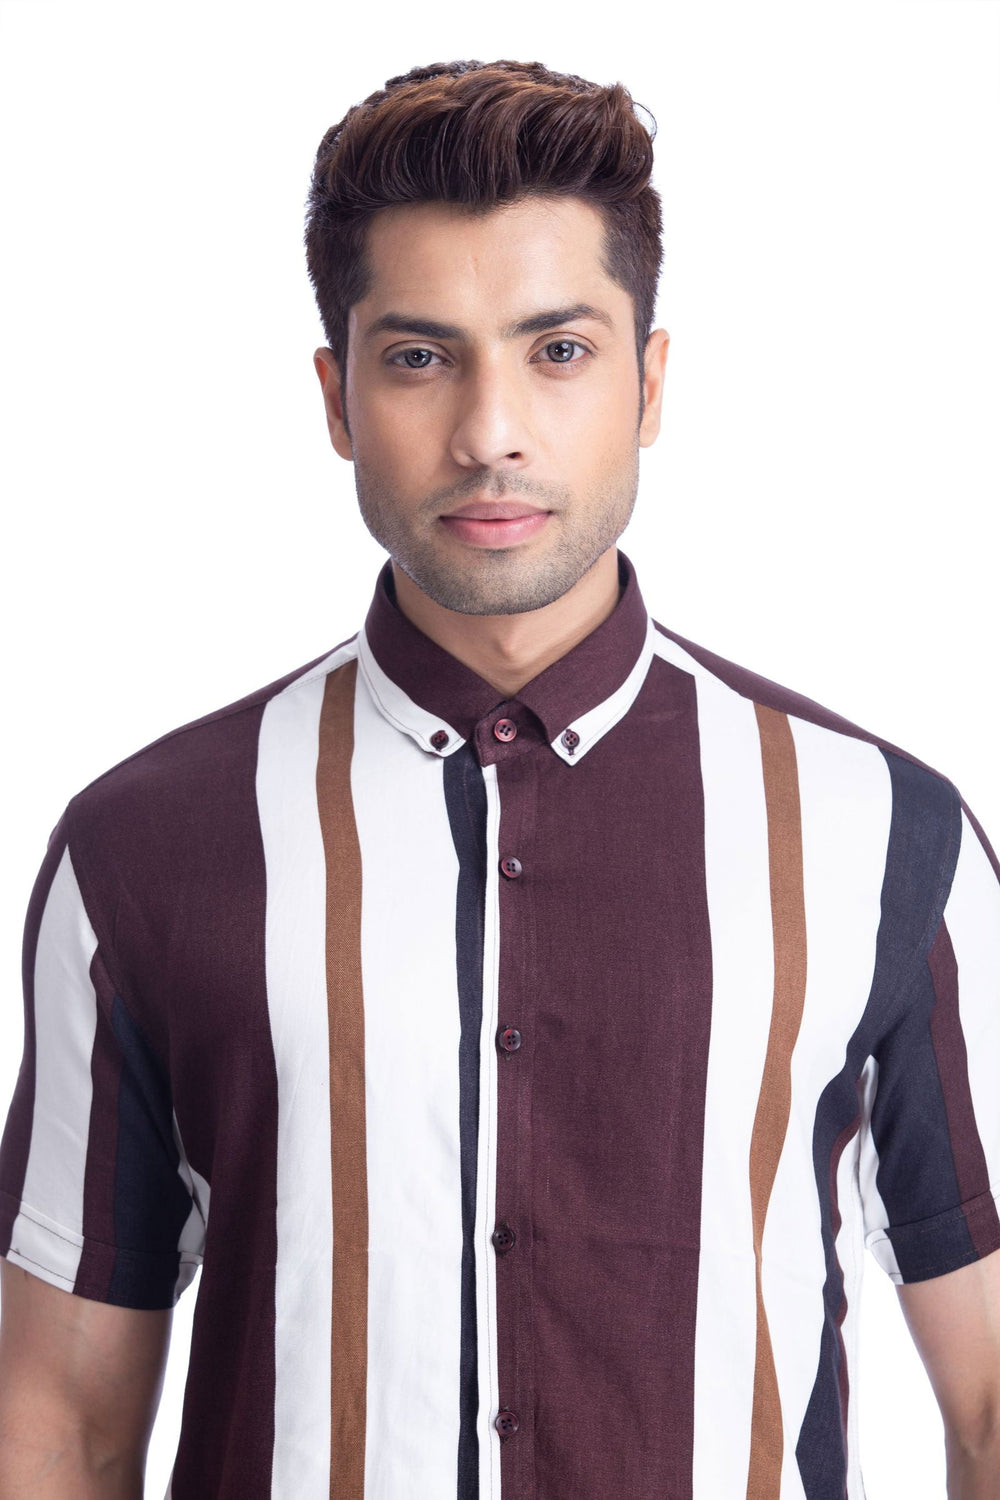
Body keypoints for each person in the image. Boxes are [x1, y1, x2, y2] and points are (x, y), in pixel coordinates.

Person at [0, 56, 997, 1500]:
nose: (490, 433)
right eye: (420, 358)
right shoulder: (148, 848)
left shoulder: (881, 834)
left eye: (559, 351)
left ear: (651, 382)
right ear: (337, 399)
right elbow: (57, 1424)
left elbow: (988, 1401)